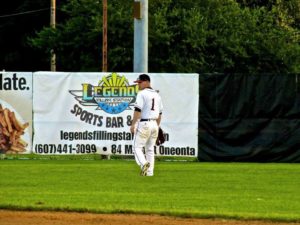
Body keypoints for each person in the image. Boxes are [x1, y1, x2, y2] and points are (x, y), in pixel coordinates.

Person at [130, 74, 163, 176]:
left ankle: (144, 164)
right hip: (154, 123)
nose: (138, 85)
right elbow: (160, 113)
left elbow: (137, 110)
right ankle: (149, 173)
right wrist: (157, 127)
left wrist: (133, 125)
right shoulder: (157, 95)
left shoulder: (142, 93)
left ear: (146, 82)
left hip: (144, 123)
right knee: (149, 149)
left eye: (139, 82)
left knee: (136, 147)